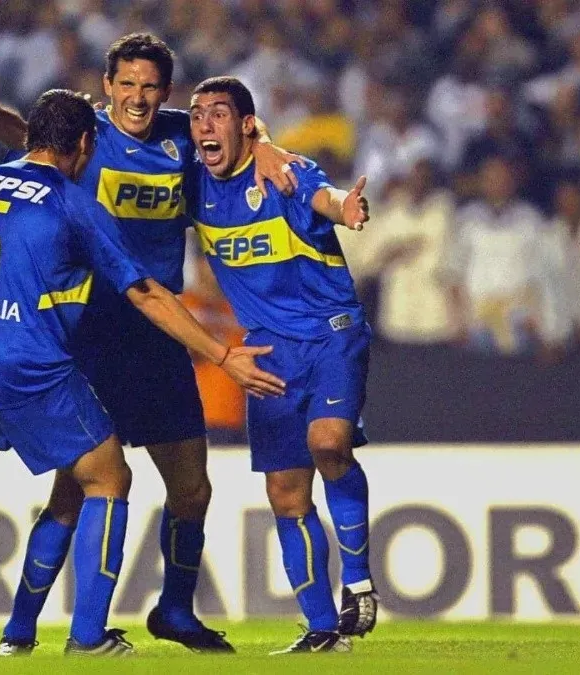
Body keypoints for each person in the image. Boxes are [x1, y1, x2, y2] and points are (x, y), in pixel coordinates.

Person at [0, 90, 283, 657]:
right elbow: (145, 291)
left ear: (29, 139)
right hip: (24, 360)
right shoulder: (69, 202)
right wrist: (221, 355)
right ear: (83, 144)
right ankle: (89, 637)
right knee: (107, 477)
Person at [0, 33, 301, 654]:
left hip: (158, 329)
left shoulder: (182, 136)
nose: (137, 99)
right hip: (92, 330)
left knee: (192, 487)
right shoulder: (87, 135)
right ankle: (19, 629)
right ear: (107, 86)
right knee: (75, 490)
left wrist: (271, 149)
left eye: (149, 87)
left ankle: (174, 610)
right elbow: (29, 144)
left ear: (164, 91)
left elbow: (238, 138)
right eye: (127, 85)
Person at [184, 76, 377, 654]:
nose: (204, 127)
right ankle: (323, 631)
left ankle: (360, 582)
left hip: (330, 333)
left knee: (327, 442)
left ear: (246, 124)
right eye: (197, 117)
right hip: (267, 349)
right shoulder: (193, 185)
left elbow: (325, 197)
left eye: (219, 114)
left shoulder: (282, 169)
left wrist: (345, 208)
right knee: (285, 495)